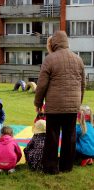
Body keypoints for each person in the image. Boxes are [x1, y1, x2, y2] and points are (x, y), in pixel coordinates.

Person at [34, 31, 85, 174]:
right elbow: (82, 85)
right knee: (70, 136)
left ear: (54, 43)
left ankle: (51, 167)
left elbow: (41, 85)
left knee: (52, 136)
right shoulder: (78, 59)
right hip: (72, 107)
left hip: (54, 107)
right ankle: (66, 167)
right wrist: (77, 103)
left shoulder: (50, 59)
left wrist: (38, 103)